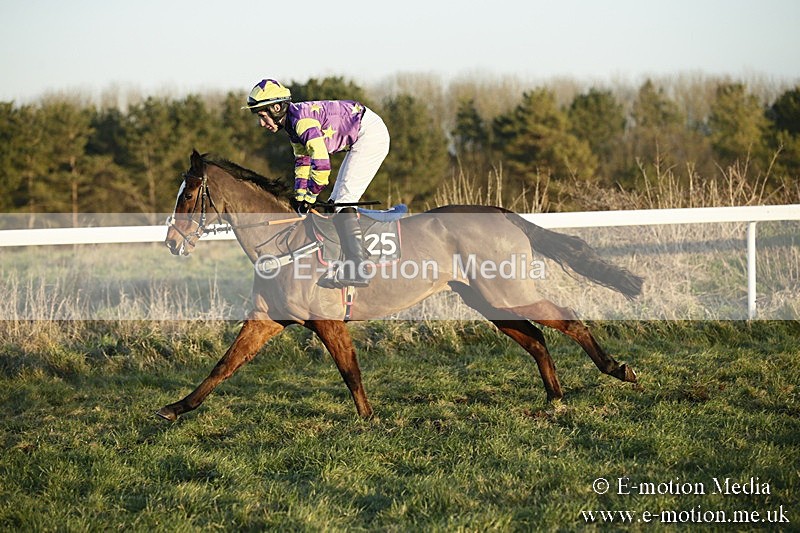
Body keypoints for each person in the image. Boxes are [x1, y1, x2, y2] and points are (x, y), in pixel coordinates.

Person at [244, 78, 390, 288]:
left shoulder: (301, 122)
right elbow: (303, 162)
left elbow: (322, 167)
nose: (261, 123)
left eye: (262, 115)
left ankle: (359, 268)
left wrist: (310, 197)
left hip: (370, 135)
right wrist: (299, 196)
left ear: (276, 108)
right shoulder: (292, 125)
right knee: (334, 203)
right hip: (362, 132)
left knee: (343, 201)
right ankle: (350, 258)